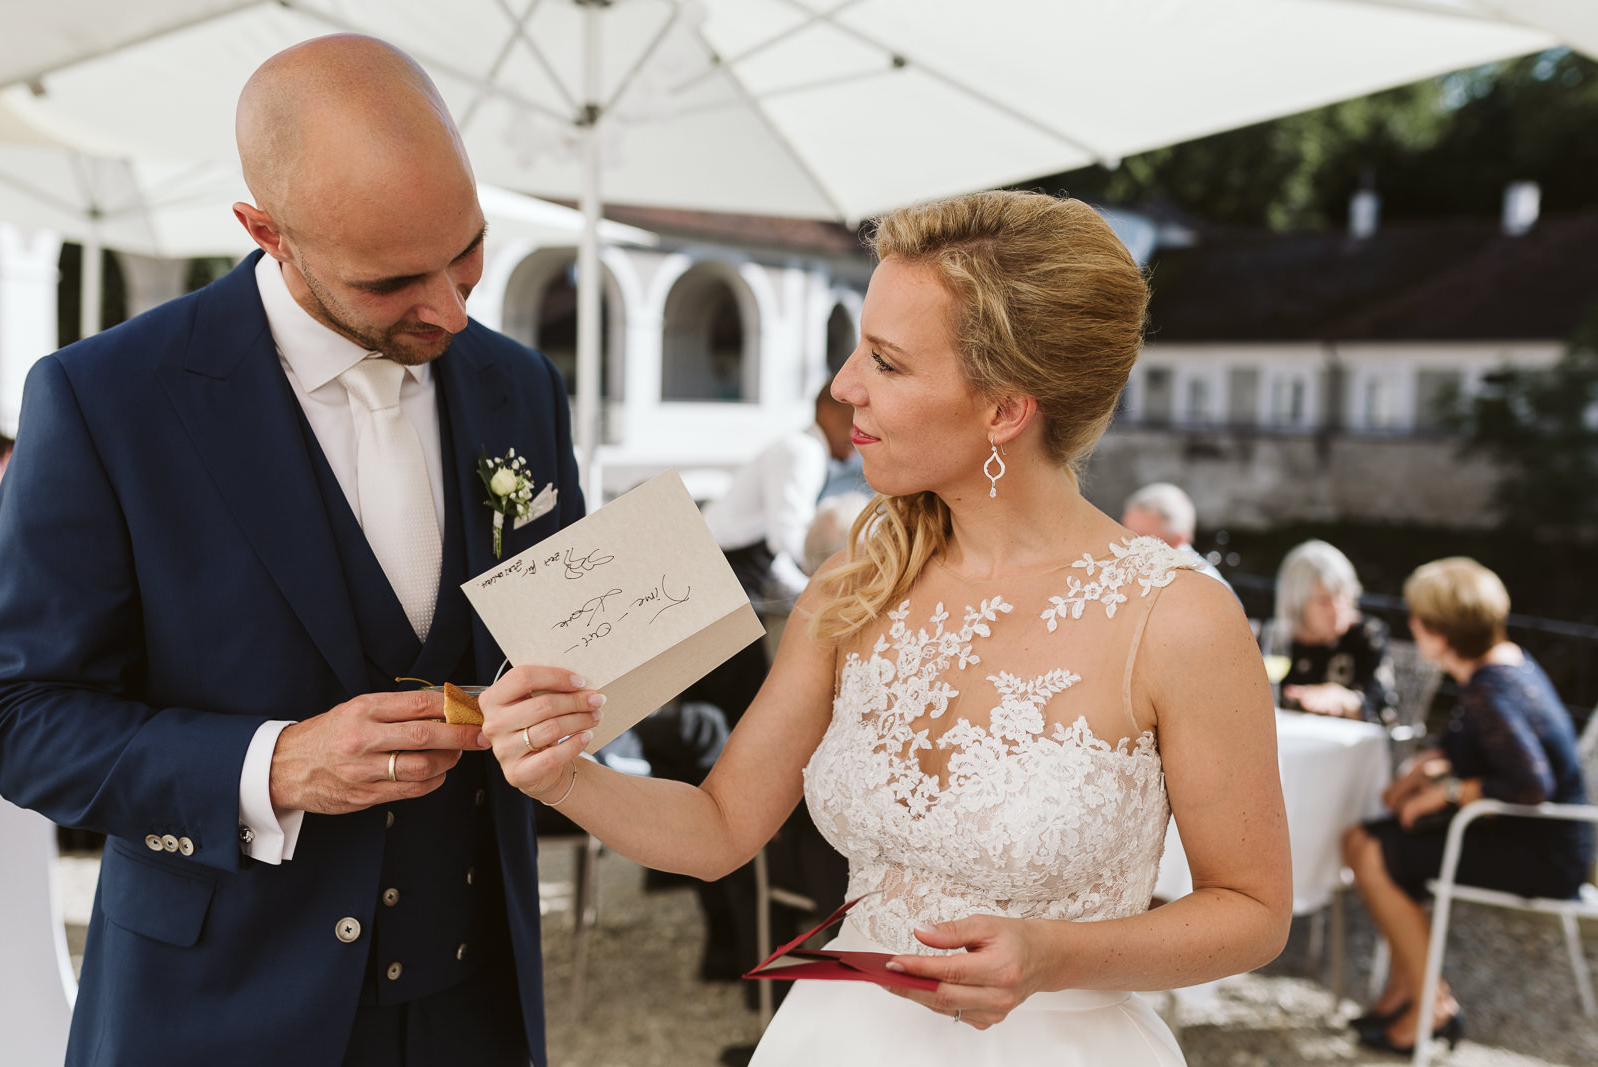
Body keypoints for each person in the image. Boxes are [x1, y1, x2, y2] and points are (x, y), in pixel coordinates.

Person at [480, 190, 1291, 1065]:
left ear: (1004, 409)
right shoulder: (855, 585)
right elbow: (718, 826)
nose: (844, 385)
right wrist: (564, 776)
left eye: (887, 362)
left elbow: (1253, 910)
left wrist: (1056, 955)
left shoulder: (1177, 618)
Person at [0, 36, 581, 1067]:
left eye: (469, 250)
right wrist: (273, 765)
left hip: (475, 998)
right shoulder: (105, 399)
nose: (451, 308)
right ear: (268, 233)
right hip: (218, 1007)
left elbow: (564, 633)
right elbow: (23, 715)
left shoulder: (520, 384)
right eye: (393, 280)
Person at [1341, 557, 1593, 1055]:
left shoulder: (1493, 688)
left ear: (1439, 634)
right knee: (1363, 840)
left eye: (1417, 619)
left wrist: (1447, 792)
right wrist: (1429, 767)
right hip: (1517, 832)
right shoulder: (1500, 666)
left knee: (1373, 852)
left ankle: (1430, 1007)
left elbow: (1531, 785)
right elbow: (1480, 747)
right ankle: (1414, 992)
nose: (1412, 627)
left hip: (1543, 851)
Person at [703, 381, 858, 614]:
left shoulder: (803, 448)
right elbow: (786, 537)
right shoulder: (803, 452)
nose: (858, 437)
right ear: (827, 412)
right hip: (725, 567)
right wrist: (824, 584)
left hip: (734, 564)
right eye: (853, 424)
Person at [1271, 539, 1396, 720]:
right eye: (1323, 601)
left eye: (1340, 595)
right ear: (1298, 604)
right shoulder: (1280, 641)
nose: (1335, 608)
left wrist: (1342, 698)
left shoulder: (1366, 635)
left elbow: (1384, 711)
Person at [1120, 481, 1231, 590]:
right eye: (1126, 534)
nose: (1129, 545)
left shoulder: (1205, 586)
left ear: (1178, 540)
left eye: (1143, 539)